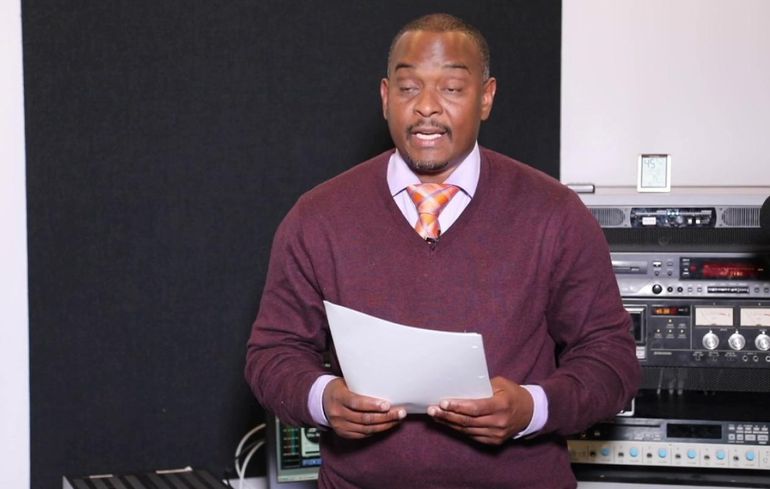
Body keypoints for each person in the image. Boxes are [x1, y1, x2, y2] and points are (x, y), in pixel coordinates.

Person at [245, 12, 640, 489]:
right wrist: (322, 399)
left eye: (451, 88)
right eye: (409, 88)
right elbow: (273, 353)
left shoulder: (555, 213)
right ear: (386, 98)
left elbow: (611, 360)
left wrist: (532, 408)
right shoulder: (318, 217)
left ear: (486, 97)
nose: (427, 107)